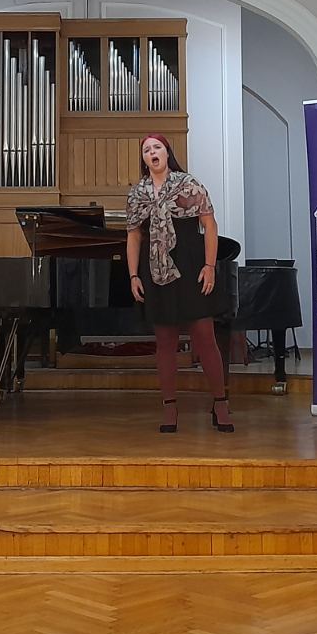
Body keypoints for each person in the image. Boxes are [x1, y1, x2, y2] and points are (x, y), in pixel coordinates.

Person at [126, 134, 235, 433]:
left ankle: (220, 402)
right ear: (144, 159)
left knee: (205, 337)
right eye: (146, 150)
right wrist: (133, 275)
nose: (152, 152)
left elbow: (209, 225)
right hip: (155, 271)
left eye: (157, 147)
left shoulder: (189, 184)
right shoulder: (137, 194)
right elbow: (133, 236)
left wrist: (210, 266)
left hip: (191, 266)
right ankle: (169, 406)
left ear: (167, 152)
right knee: (165, 342)